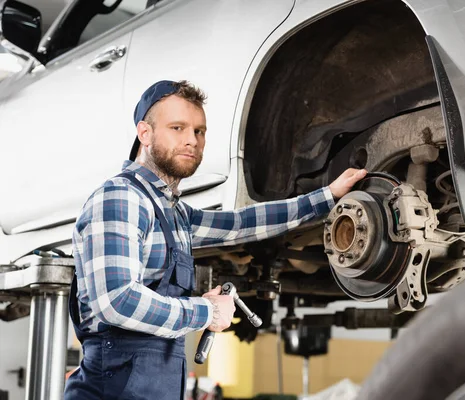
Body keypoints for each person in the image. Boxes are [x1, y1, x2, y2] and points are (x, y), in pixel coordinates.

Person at [63, 80, 367, 399]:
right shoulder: (121, 197)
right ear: (145, 133)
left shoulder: (175, 213)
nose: (191, 140)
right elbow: (117, 301)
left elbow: (240, 224)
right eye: (177, 127)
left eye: (199, 131)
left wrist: (326, 196)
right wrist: (205, 311)